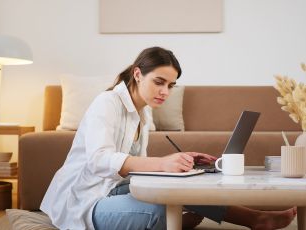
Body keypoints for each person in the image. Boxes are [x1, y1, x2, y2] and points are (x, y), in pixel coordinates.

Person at [40, 47, 296, 230]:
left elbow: (133, 167)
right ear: (138, 74)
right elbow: (99, 160)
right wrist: (163, 164)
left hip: (111, 189)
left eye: (171, 85)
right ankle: (175, 221)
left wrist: (178, 162)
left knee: (187, 186)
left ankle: (255, 219)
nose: (165, 92)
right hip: (84, 201)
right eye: (159, 82)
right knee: (164, 210)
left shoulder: (143, 112)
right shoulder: (107, 103)